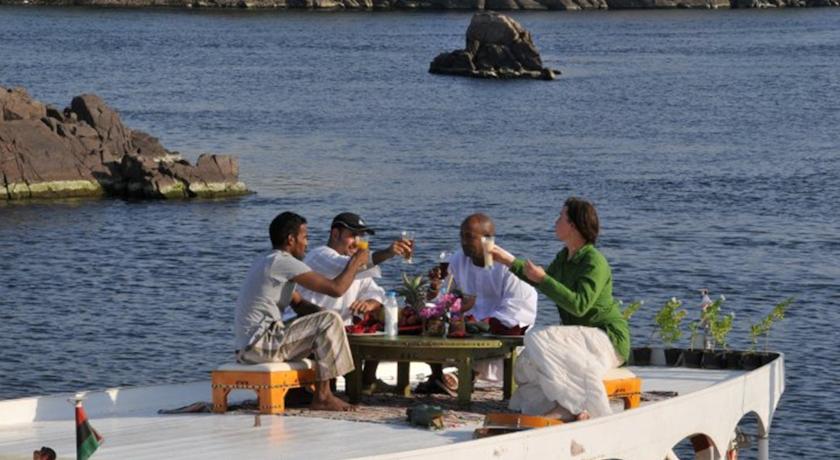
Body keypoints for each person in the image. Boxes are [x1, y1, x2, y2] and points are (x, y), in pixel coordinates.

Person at [491, 197, 630, 421]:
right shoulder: (564, 257)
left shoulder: (594, 261)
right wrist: (507, 260)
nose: (555, 222)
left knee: (538, 338)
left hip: (607, 339)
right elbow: (540, 280)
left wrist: (544, 278)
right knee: (527, 363)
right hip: (580, 339)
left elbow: (579, 305)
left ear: (573, 225)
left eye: (560, 217)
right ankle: (565, 404)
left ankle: (573, 407)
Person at [234, 211, 369, 412]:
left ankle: (299, 392)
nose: (307, 244)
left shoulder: (268, 260)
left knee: (326, 319)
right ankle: (323, 396)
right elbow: (336, 288)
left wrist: (321, 316)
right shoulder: (283, 261)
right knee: (330, 320)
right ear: (291, 239)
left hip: (250, 346)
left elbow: (299, 304)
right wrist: (356, 262)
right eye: (304, 237)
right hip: (260, 345)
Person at [290, 212, 411, 394]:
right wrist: (388, 252)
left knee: (382, 317)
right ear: (335, 234)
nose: (357, 241)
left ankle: (367, 380)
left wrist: (370, 303)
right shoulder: (320, 255)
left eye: (361, 236)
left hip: (340, 331)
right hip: (307, 330)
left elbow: (377, 293)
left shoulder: (354, 264)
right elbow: (347, 266)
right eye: (352, 235)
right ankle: (341, 386)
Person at [418, 213, 538, 394]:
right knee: (427, 324)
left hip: (494, 329)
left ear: (487, 240)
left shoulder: (506, 267)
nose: (463, 242)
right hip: (463, 324)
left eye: (469, 237)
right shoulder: (458, 260)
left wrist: (482, 324)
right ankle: (438, 375)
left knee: (491, 339)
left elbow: (519, 309)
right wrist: (435, 291)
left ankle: (466, 375)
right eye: (461, 236)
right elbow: (448, 298)